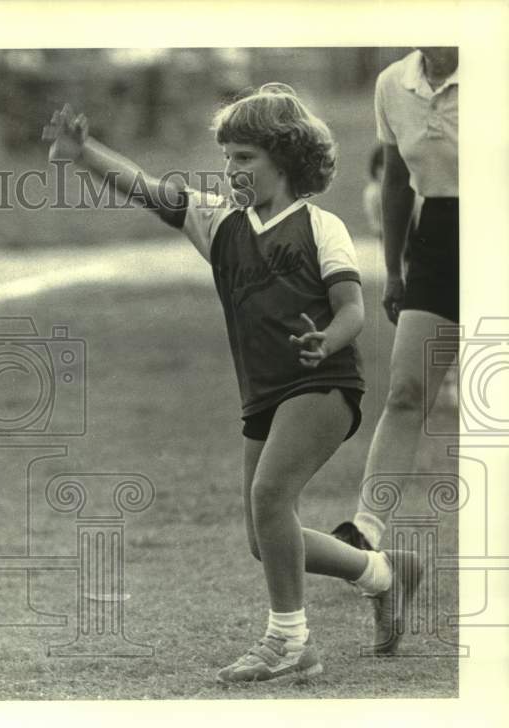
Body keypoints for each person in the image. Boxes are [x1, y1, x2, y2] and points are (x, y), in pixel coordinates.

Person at [42, 84, 421, 684]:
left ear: (286, 158)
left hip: (323, 383)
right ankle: (383, 574)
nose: (231, 168)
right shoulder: (218, 221)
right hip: (264, 393)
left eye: (245, 157)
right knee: (261, 534)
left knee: (271, 501)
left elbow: (353, 309)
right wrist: (86, 153)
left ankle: (290, 643)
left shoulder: (322, 227)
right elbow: (143, 186)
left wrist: (327, 338)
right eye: (226, 157)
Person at [333, 48, 459, 555]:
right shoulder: (392, 83)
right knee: (406, 389)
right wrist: (391, 268)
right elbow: (395, 180)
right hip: (437, 240)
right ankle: (367, 529)